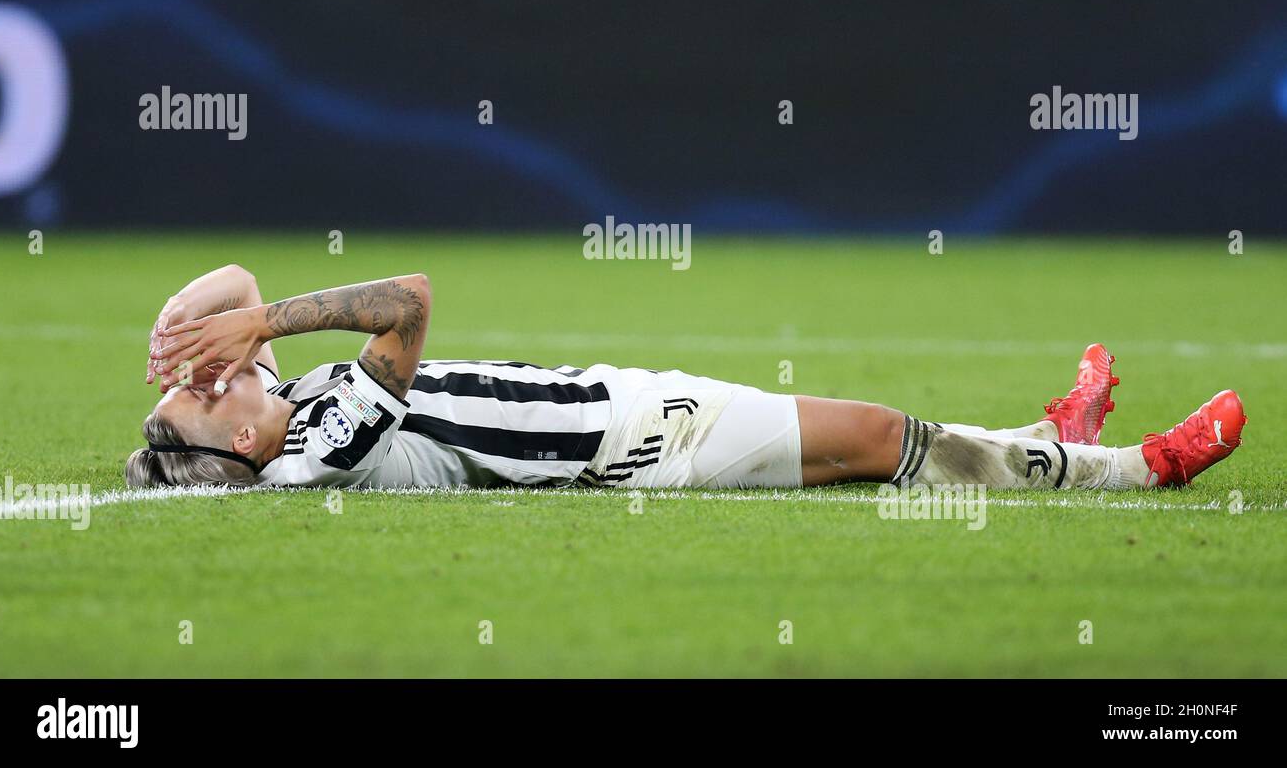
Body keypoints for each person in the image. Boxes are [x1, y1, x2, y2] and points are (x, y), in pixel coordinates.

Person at [127, 265, 1245, 492]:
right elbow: (409, 299)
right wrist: (261, 321)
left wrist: (181, 329)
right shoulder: (313, 454)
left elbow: (232, 280)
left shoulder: (288, 407)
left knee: (870, 443)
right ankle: (1137, 468)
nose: (222, 376)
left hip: (616, 403)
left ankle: (1043, 434)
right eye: (203, 393)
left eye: (206, 374)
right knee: (871, 434)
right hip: (632, 443)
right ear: (229, 451)